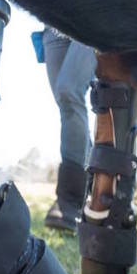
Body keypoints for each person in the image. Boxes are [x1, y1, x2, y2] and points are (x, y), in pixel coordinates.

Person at [34, 27, 97, 232]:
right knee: (67, 105)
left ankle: (69, 202)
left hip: (89, 14)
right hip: (53, 25)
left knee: (69, 91)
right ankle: (94, 185)